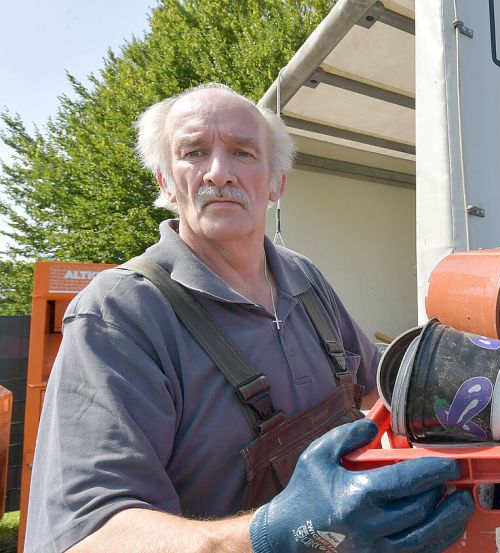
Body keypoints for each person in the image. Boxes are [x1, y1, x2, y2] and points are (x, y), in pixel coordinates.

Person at [24, 83, 473, 552]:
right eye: (194, 152)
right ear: (164, 181)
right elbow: (89, 539)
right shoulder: (119, 313)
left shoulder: (303, 277)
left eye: (242, 153)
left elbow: (380, 388)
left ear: (276, 182)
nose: (219, 173)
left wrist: (482, 384)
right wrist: (268, 536)